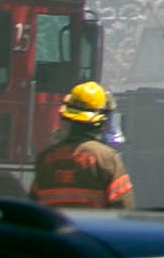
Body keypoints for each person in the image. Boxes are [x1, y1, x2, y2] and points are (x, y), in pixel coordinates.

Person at [32, 82, 133, 210]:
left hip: (55, 229)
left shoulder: (44, 159)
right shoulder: (107, 159)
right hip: (92, 229)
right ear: (101, 121)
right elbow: (123, 209)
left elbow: (33, 206)